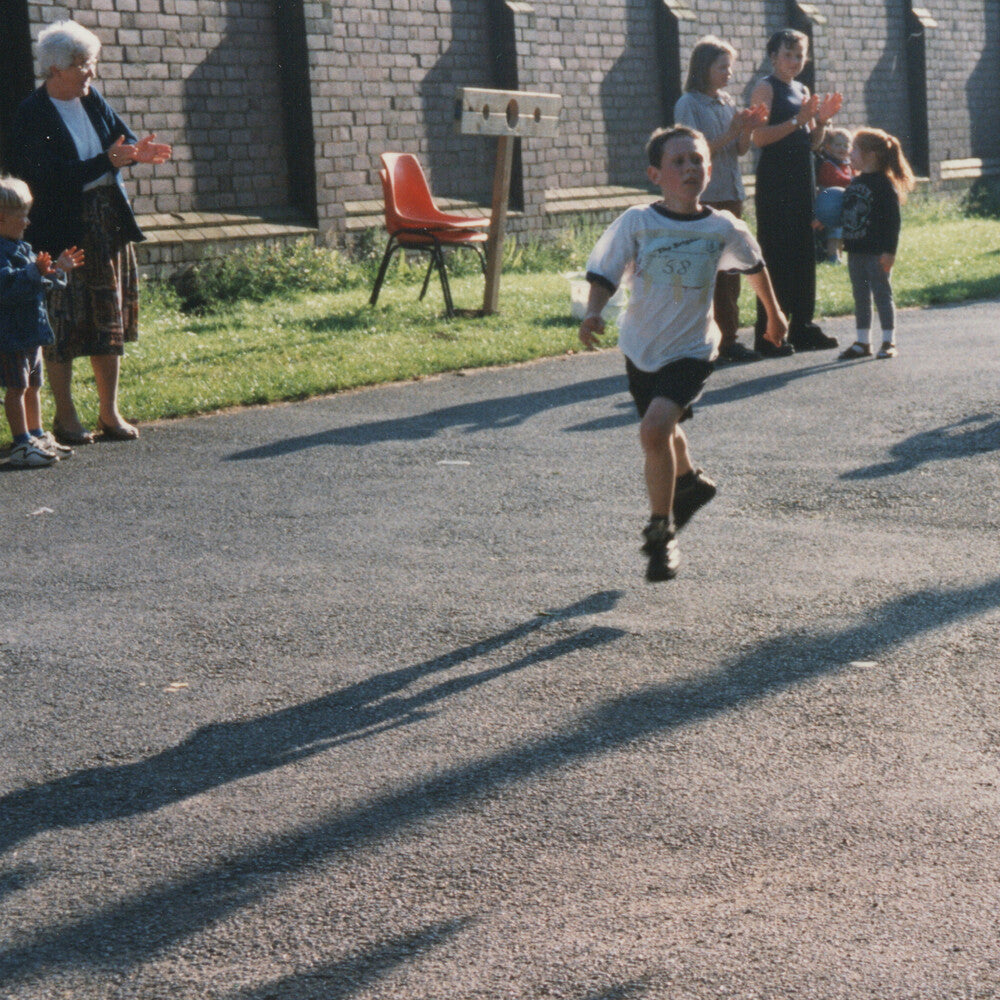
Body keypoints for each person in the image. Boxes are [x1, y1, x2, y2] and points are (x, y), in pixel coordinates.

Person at [578, 126, 788, 582]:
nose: (690, 168)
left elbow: (755, 267)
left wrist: (774, 315)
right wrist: (594, 313)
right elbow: (605, 272)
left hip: (693, 347)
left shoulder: (722, 227)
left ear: (710, 171)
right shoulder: (637, 221)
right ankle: (689, 484)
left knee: (654, 430)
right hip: (641, 345)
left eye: (697, 161)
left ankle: (661, 533)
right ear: (656, 174)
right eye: (679, 162)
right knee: (663, 431)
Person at [10, 19, 171, 445]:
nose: (90, 72)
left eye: (92, 61)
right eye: (82, 64)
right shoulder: (32, 114)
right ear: (55, 69)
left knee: (108, 317)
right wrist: (109, 161)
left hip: (106, 222)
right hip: (59, 228)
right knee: (62, 321)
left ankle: (109, 412)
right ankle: (66, 417)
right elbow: (47, 178)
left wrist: (139, 153)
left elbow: (123, 140)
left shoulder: (91, 98)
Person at [673, 36, 768, 364]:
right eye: (722, 66)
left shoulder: (727, 102)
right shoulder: (689, 104)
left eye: (731, 66)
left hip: (731, 194)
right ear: (704, 68)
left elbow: (740, 149)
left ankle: (728, 340)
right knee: (706, 274)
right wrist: (732, 131)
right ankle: (704, 342)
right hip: (706, 198)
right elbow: (693, 152)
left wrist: (747, 129)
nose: (729, 73)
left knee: (731, 270)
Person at [749, 28, 843, 355]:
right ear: (773, 56)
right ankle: (769, 333)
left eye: (799, 55)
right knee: (776, 251)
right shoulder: (765, 87)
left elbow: (812, 143)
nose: (794, 61)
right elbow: (757, 139)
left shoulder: (802, 88)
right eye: (787, 54)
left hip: (803, 177)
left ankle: (802, 325)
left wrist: (822, 121)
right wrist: (796, 120)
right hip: (776, 179)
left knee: (804, 251)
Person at [0, 176, 84, 468]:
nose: (27, 223)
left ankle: (36, 433)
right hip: (11, 335)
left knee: (34, 384)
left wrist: (57, 269)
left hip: (31, 331)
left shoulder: (22, 248)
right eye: (21, 216)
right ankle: (21, 442)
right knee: (16, 387)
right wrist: (35, 273)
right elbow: (7, 287)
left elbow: (39, 280)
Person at [837, 127, 916, 361]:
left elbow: (893, 222)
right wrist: (838, 233)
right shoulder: (854, 182)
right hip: (856, 251)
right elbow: (849, 212)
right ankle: (863, 342)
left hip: (877, 253)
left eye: (855, 150)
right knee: (860, 295)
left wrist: (890, 252)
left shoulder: (884, 185)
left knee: (882, 294)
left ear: (871, 155)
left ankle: (889, 341)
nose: (850, 154)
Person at [813, 126, 854, 263]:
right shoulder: (828, 165)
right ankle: (832, 255)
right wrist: (853, 181)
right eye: (837, 145)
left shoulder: (847, 165)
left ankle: (840, 255)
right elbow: (835, 180)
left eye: (845, 145)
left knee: (841, 232)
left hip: (843, 206)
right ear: (828, 147)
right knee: (834, 232)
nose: (842, 148)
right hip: (830, 207)